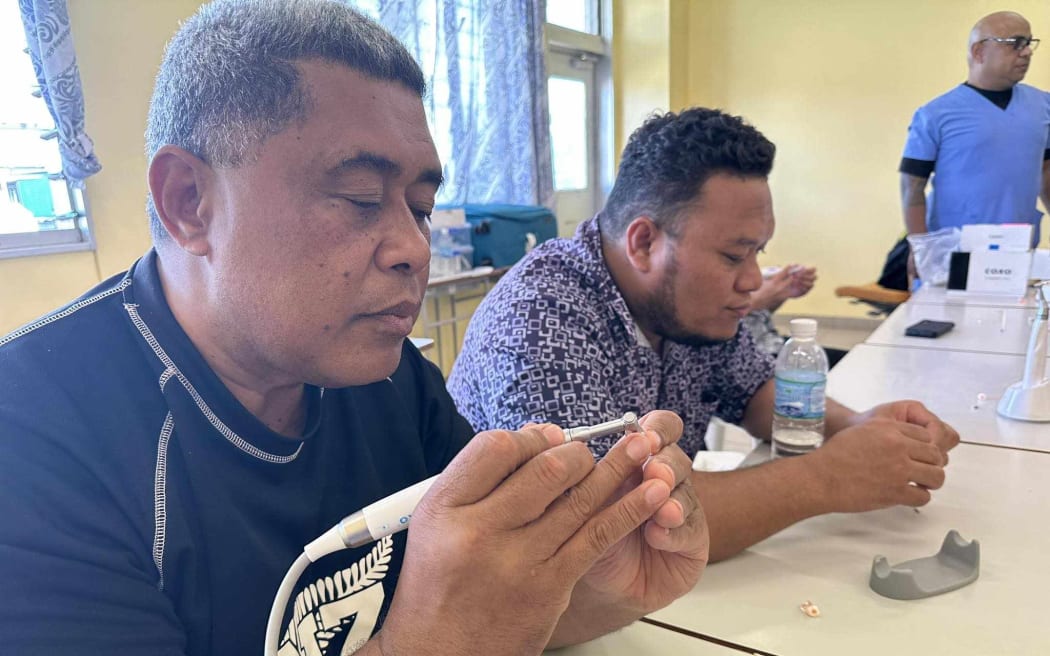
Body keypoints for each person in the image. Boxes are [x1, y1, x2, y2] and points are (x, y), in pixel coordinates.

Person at [0, 2, 710, 654]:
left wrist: (601, 585)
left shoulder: (391, 381)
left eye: (422, 206)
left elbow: (492, 618)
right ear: (189, 202)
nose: (413, 248)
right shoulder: (33, 441)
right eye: (359, 197)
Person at [448, 107, 960, 563]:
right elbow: (617, 527)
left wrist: (858, 426)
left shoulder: (689, 307)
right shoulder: (541, 318)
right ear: (644, 242)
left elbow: (753, 390)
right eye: (735, 256)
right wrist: (827, 478)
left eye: (759, 251)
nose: (755, 279)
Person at [899, 10, 1050, 280]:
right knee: (950, 320)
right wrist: (921, 246)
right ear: (979, 51)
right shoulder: (936, 114)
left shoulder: (1043, 107)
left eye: (1029, 43)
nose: (1026, 52)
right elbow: (912, 187)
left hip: (1018, 249)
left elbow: (1047, 174)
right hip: (953, 253)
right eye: (1016, 43)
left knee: (1015, 320)